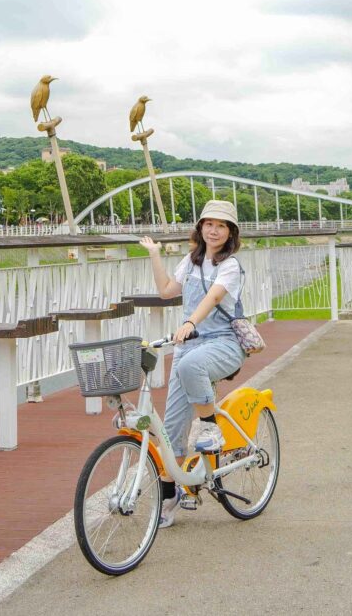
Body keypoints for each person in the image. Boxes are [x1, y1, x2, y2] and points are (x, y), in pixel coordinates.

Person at [139, 199, 247, 528]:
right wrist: (155, 256)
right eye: (208, 224)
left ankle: (211, 429)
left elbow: (213, 298)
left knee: (188, 366)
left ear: (230, 233)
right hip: (190, 346)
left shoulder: (231, 265)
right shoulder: (191, 260)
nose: (213, 230)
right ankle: (172, 495)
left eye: (221, 225)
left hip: (224, 343)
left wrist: (189, 324)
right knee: (169, 431)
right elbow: (167, 292)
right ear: (200, 228)